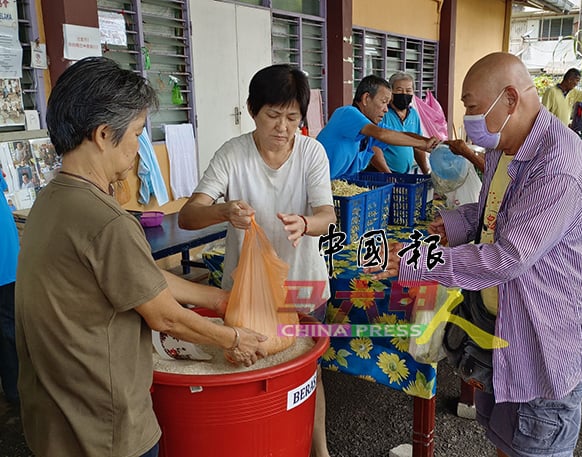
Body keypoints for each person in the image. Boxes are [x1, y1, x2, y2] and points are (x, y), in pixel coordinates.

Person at [15, 57, 268, 457]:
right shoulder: (107, 220)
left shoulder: (52, 199)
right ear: (102, 134)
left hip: (54, 417)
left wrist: (219, 300)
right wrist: (232, 338)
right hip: (103, 428)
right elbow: (163, 315)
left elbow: (140, 280)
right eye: (136, 134)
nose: (138, 149)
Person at [372, 52, 582, 457]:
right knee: (503, 441)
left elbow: (509, 256)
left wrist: (417, 261)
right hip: (505, 332)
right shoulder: (504, 147)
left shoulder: (558, 164)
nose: (469, 119)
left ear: (509, 99)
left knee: (534, 445)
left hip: (544, 344)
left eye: (472, 108)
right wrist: (454, 225)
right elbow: (490, 209)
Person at [179, 64, 336, 457]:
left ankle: (318, 450)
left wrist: (305, 222)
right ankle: (259, 444)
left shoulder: (311, 152)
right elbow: (189, 215)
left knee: (305, 374)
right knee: (248, 370)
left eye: (292, 118)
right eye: (272, 115)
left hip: (303, 284)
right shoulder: (233, 153)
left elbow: (327, 215)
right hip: (247, 291)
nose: (283, 127)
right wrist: (224, 211)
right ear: (252, 110)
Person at [316, 75, 439, 179]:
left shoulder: (372, 126)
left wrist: (425, 142)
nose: (386, 109)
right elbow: (382, 134)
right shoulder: (347, 113)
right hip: (318, 184)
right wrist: (422, 144)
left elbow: (400, 134)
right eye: (383, 102)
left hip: (339, 186)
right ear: (366, 98)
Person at [381, 72, 430, 174]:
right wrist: (387, 174)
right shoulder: (383, 113)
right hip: (383, 174)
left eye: (408, 90)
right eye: (399, 90)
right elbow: (374, 147)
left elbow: (417, 146)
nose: (404, 94)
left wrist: (426, 172)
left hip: (405, 174)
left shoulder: (413, 114)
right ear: (391, 92)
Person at [0, 172, 19, 406]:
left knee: (8, 328)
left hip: (7, 264)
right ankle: (15, 390)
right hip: (8, 262)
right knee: (8, 327)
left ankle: (15, 391)